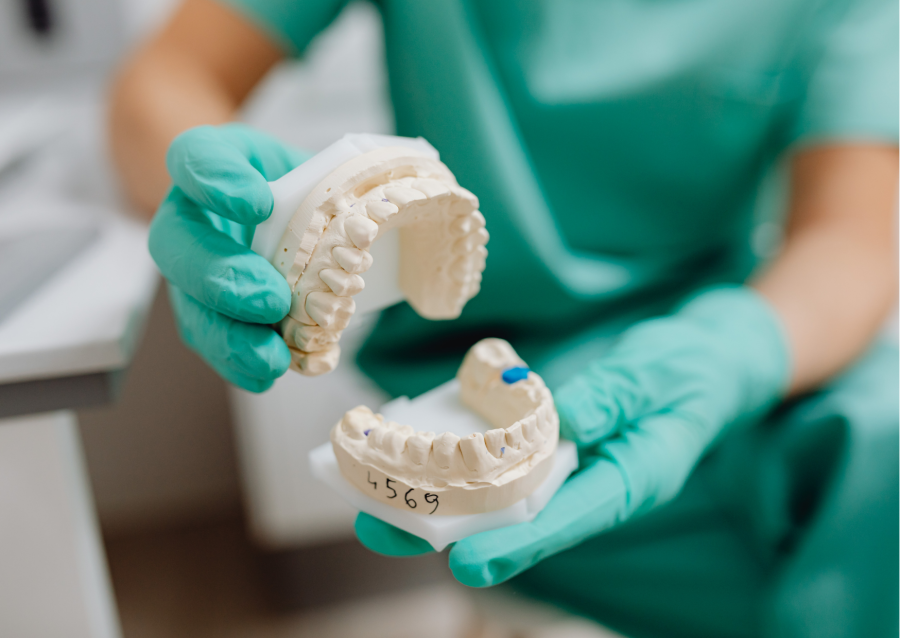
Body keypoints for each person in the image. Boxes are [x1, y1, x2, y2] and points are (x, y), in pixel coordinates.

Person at [109, 0, 898, 635]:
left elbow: (855, 233)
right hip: (472, 378)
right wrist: (229, 209)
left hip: (736, 342)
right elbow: (169, 75)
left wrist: (740, 348)